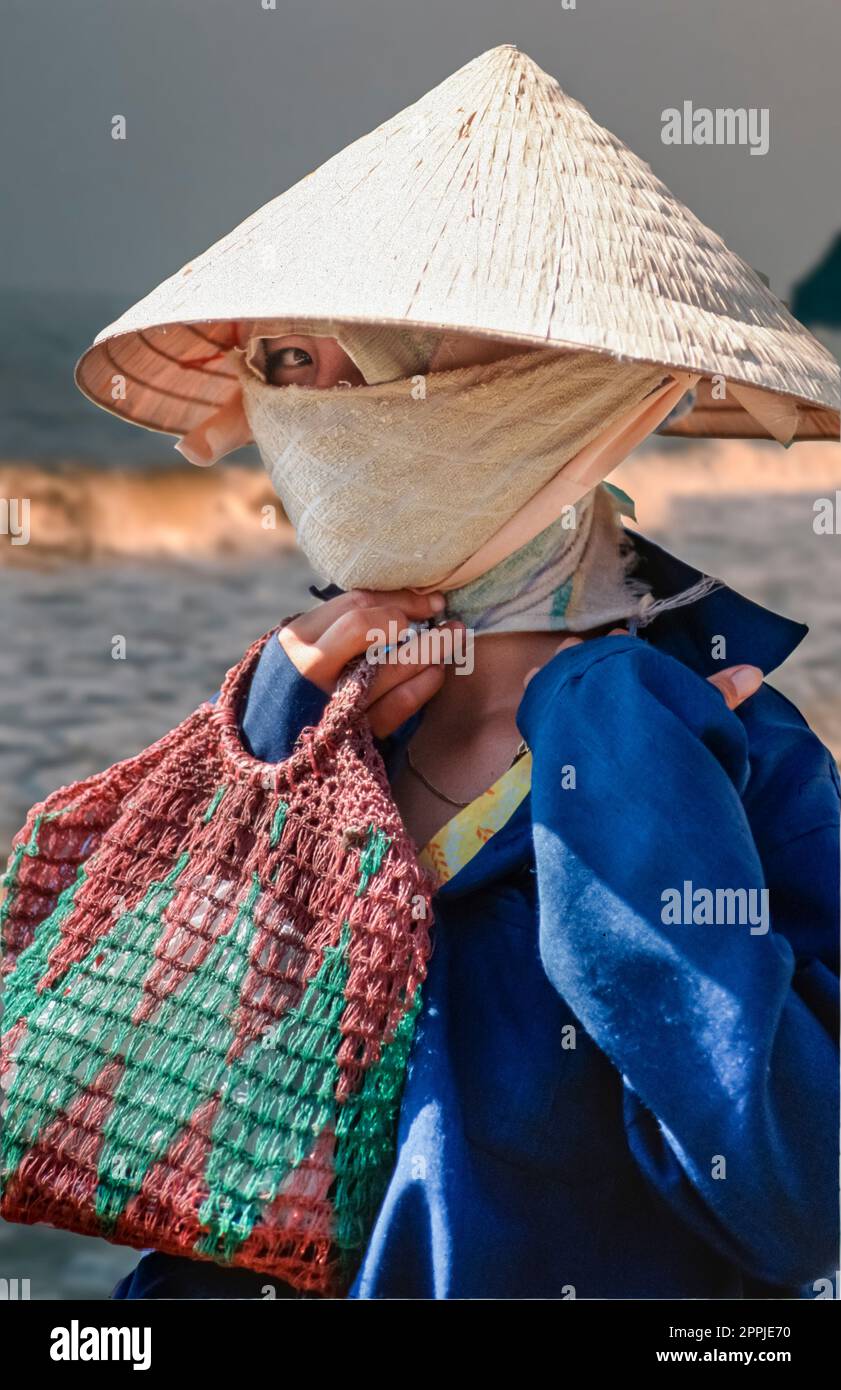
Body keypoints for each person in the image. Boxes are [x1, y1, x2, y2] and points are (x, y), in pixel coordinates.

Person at [69, 44, 838, 1298]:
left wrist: (626, 774)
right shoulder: (311, 719)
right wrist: (268, 753)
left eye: (334, 360)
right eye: (276, 365)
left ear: (544, 389)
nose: (298, 415)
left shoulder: (730, 744)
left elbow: (792, 1200)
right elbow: (148, 1111)